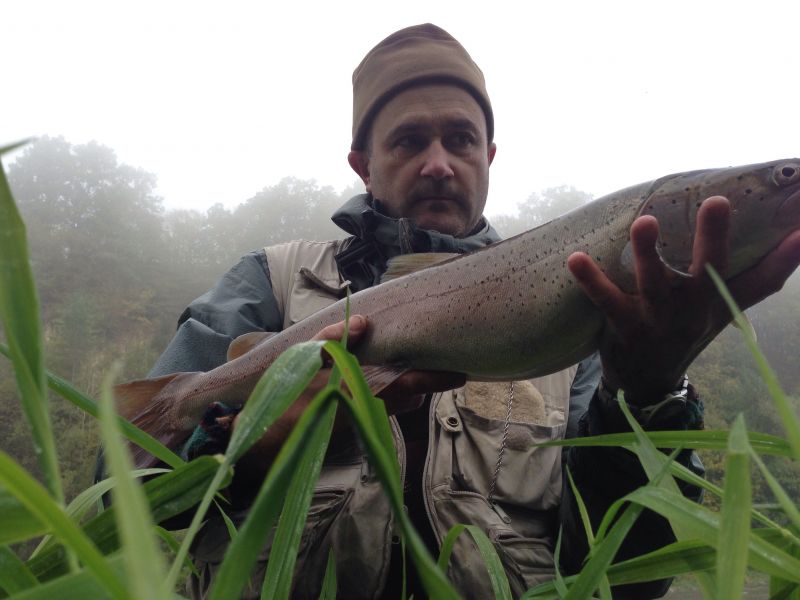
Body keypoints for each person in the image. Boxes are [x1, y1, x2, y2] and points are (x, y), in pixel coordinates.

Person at [146, 24, 800, 599]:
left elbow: (625, 576)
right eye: (408, 141)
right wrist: (254, 439)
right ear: (363, 165)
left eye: (461, 140)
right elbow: (127, 497)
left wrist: (650, 395)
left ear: (487, 156)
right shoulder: (270, 282)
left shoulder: (600, 312)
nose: (438, 164)